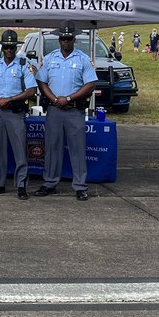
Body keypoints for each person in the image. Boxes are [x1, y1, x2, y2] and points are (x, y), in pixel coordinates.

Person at [34, 21, 97, 200]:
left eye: (69, 38)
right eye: (63, 38)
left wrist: (69, 98)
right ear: (59, 39)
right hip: (54, 110)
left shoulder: (83, 59)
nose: (66, 41)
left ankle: (79, 186)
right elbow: (41, 81)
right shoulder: (49, 58)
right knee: (52, 148)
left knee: (77, 149)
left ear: (74, 39)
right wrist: (55, 99)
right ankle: (49, 183)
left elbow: (90, 84)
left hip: (74, 110)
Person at [0, 30, 37, 200]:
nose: (9, 50)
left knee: (20, 150)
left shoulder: (23, 64)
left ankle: (21, 185)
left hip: (15, 112)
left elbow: (31, 90)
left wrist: (10, 99)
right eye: (6, 47)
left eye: (12, 47)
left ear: (16, 47)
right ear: (2, 47)